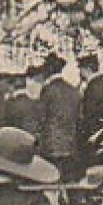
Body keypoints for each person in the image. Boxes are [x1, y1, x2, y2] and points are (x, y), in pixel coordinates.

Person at [36, 53, 81, 181]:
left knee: (51, 178)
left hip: (51, 144)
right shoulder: (73, 90)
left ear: (48, 70)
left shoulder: (48, 90)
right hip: (70, 142)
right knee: (67, 178)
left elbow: (41, 116)